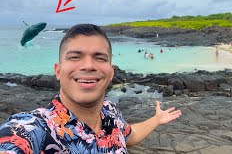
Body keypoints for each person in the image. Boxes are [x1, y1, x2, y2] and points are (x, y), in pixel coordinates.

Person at [0, 24, 182, 153]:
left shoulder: (110, 111)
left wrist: (157, 119)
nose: (88, 66)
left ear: (111, 72)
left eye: (100, 58)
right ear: (58, 70)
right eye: (75, 57)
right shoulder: (33, 128)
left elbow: (129, 135)